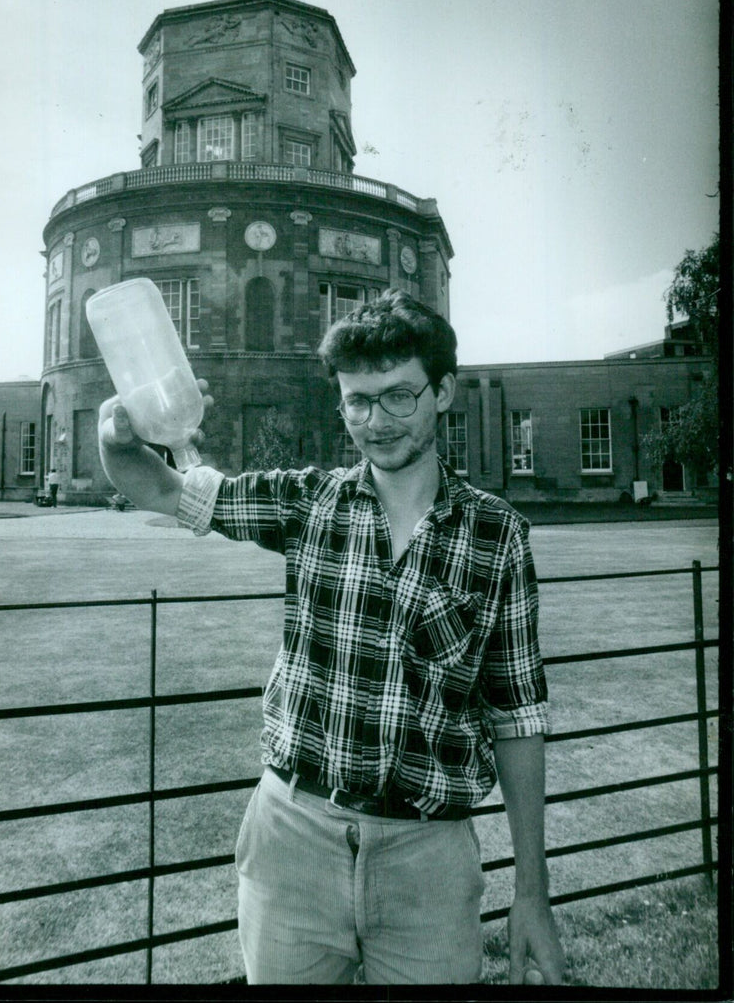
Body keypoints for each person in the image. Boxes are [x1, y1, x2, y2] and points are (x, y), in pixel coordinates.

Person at [97, 289, 565, 986]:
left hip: (427, 862)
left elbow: (517, 716)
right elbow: (163, 490)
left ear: (444, 391)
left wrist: (531, 894)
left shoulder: (497, 536)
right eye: (357, 401)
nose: (376, 422)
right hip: (292, 841)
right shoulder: (308, 503)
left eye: (399, 396)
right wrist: (117, 439)